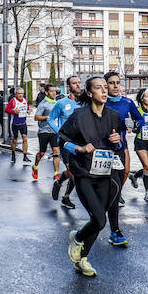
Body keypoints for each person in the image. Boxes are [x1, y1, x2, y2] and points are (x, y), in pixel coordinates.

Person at [60, 75, 125, 277]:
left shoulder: (113, 116)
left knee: (97, 220)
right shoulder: (79, 116)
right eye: (99, 88)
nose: (105, 91)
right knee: (99, 219)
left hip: (106, 173)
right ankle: (78, 238)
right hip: (84, 173)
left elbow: (119, 144)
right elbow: (62, 139)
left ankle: (82, 260)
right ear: (89, 93)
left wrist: (117, 141)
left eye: (106, 87)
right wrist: (78, 147)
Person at [103, 71, 142, 249]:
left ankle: (115, 229)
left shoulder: (127, 102)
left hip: (120, 148)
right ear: (105, 85)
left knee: (121, 179)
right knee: (105, 188)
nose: (115, 86)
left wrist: (134, 125)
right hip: (101, 150)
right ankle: (99, 222)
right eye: (111, 83)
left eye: (118, 82)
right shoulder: (100, 102)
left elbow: (139, 118)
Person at [49, 76, 84, 209]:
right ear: (69, 87)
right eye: (75, 83)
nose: (78, 85)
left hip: (80, 142)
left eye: (79, 83)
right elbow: (51, 119)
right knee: (73, 171)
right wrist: (60, 131)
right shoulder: (61, 103)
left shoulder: (84, 103)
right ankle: (64, 194)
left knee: (75, 171)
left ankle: (62, 190)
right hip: (65, 143)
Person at [32, 84, 60, 180]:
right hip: (44, 131)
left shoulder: (57, 103)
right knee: (42, 153)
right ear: (47, 92)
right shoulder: (43, 104)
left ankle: (56, 173)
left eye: (54, 91)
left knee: (56, 151)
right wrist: (48, 118)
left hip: (54, 131)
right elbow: (36, 117)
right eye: (51, 91)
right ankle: (35, 166)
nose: (54, 93)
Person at [5, 87, 31, 164]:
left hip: (23, 123)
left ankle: (25, 156)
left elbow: (27, 108)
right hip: (15, 123)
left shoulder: (25, 100)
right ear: (16, 94)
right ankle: (13, 154)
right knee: (15, 140)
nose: (20, 95)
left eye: (21, 93)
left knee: (25, 138)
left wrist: (28, 111)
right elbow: (6, 109)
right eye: (18, 93)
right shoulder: (13, 101)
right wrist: (14, 111)